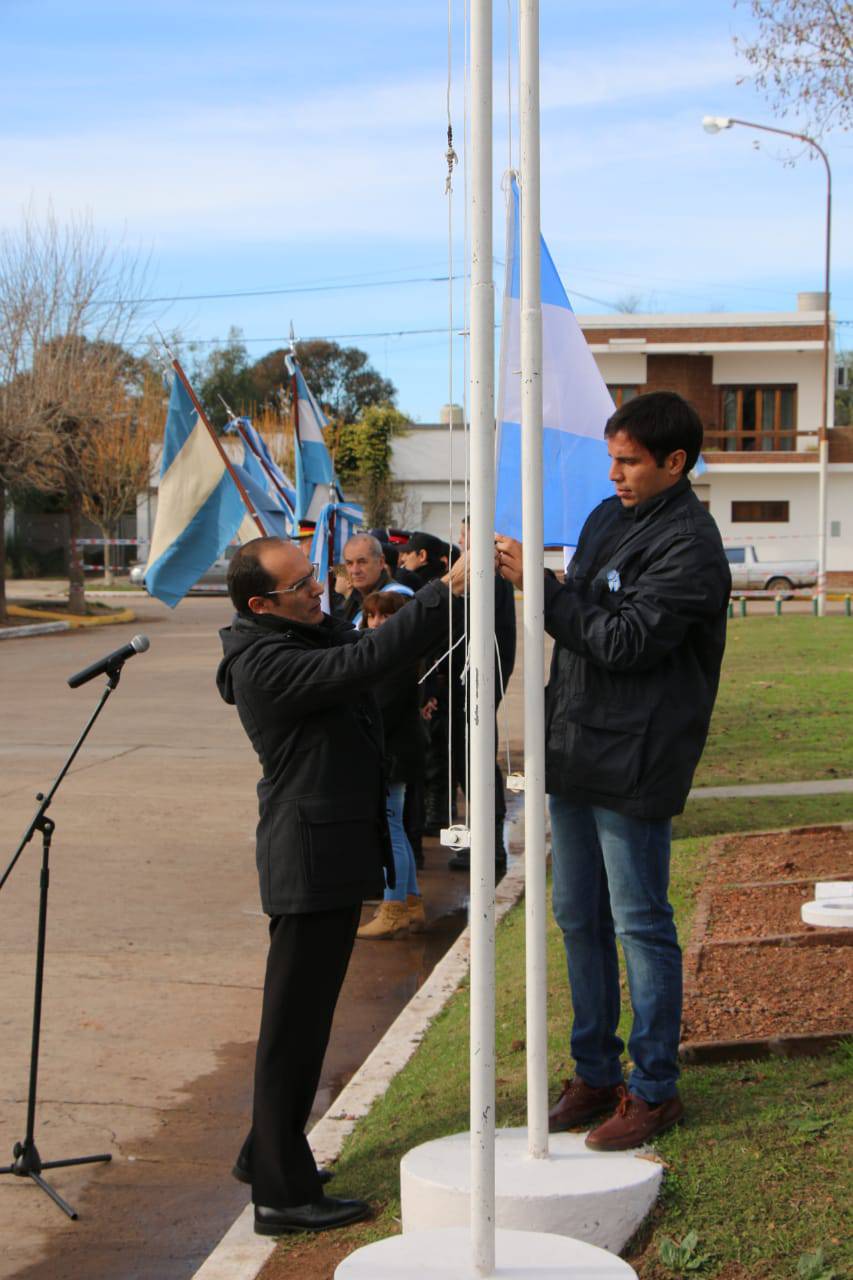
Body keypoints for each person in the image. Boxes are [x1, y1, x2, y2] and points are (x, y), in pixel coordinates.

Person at [496, 390, 730, 1151]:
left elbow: (627, 642)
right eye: (610, 458)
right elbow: (584, 628)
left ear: (674, 462)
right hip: (574, 747)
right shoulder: (604, 519)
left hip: (636, 759)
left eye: (628, 461)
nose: (615, 474)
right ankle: (593, 1073)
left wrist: (549, 591)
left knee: (638, 923)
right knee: (576, 918)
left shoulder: (690, 546)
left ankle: (653, 1087)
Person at [217, 536, 466, 1234]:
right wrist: (447, 587)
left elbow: (350, 635)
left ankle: (264, 1152)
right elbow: (364, 657)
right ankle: (280, 1196)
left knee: (304, 1021)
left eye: (317, 578)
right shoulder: (265, 660)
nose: (319, 592)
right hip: (307, 858)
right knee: (291, 1027)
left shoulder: (292, 633)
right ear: (262, 604)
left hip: (325, 851)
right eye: (301, 588)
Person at [447, 514, 517, 872]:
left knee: (477, 765)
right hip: (468, 684)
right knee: (467, 764)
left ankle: (491, 848)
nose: (462, 540)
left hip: (477, 684)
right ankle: (483, 843)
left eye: (468, 535)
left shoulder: (490, 577)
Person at [356, 590, 426, 940]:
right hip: (399, 752)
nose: (377, 623)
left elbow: (379, 710)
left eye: (385, 617)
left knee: (390, 829)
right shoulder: (394, 655)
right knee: (395, 827)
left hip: (394, 754)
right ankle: (410, 901)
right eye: (372, 616)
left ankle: (393, 906)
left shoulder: (395, 658)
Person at [338, 533, 412, 628]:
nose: (355, 570)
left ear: (381, 562)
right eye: (349, 563)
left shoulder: (398, 598)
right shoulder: (354, 597)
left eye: (362, 562)